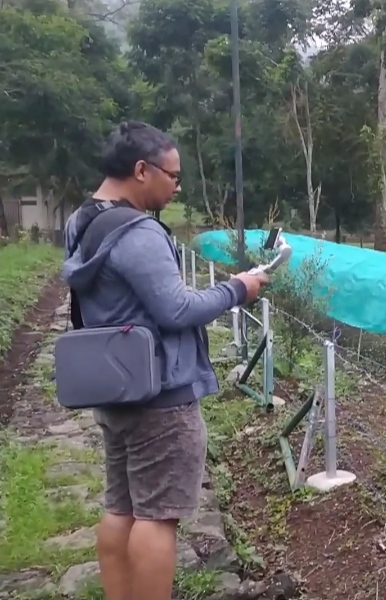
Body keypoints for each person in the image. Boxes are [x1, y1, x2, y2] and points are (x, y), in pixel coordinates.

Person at [60, 121, 269, 600]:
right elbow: (176, 309)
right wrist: (240, 288)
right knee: (156, 519)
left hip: (113, 386)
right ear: (141, 170)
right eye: (172, 177)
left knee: (121, 509)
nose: (177, 187)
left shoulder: (82, 221)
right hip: (160, 394)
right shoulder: (139, 231)